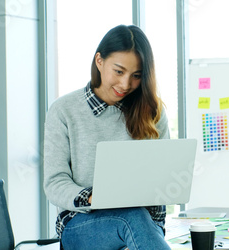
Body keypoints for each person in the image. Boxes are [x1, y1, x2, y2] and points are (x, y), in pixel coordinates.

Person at [43, 25, 171, 250]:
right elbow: (55, 183)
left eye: (136, 76)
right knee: (131, 217)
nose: (125, 84)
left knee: (136, 217)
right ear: (99, 61)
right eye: (119, 71)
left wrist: (153, 229)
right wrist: (94, 197)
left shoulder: (152, 111)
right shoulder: (64, 110)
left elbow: (161, 180)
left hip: (140, 223)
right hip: (81, 224)